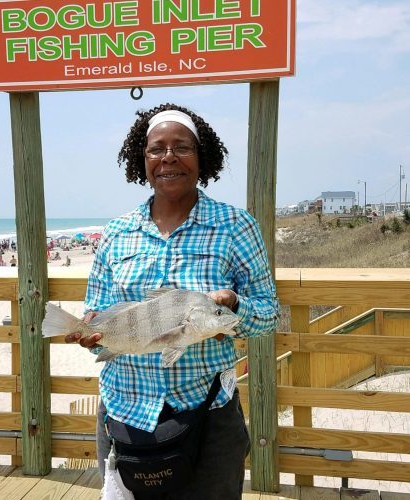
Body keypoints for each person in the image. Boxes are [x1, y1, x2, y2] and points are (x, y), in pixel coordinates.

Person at [65, 103, 279, 499]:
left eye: (182, 147)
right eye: (156, 149)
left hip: (208, 414)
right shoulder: (117, 232)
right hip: (124, 412)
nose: (168, 158)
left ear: (202, 157)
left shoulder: (235, 225)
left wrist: (233, 305)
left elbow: (268, 313)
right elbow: (96, 308)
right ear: (141, 159)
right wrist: (89, 331)